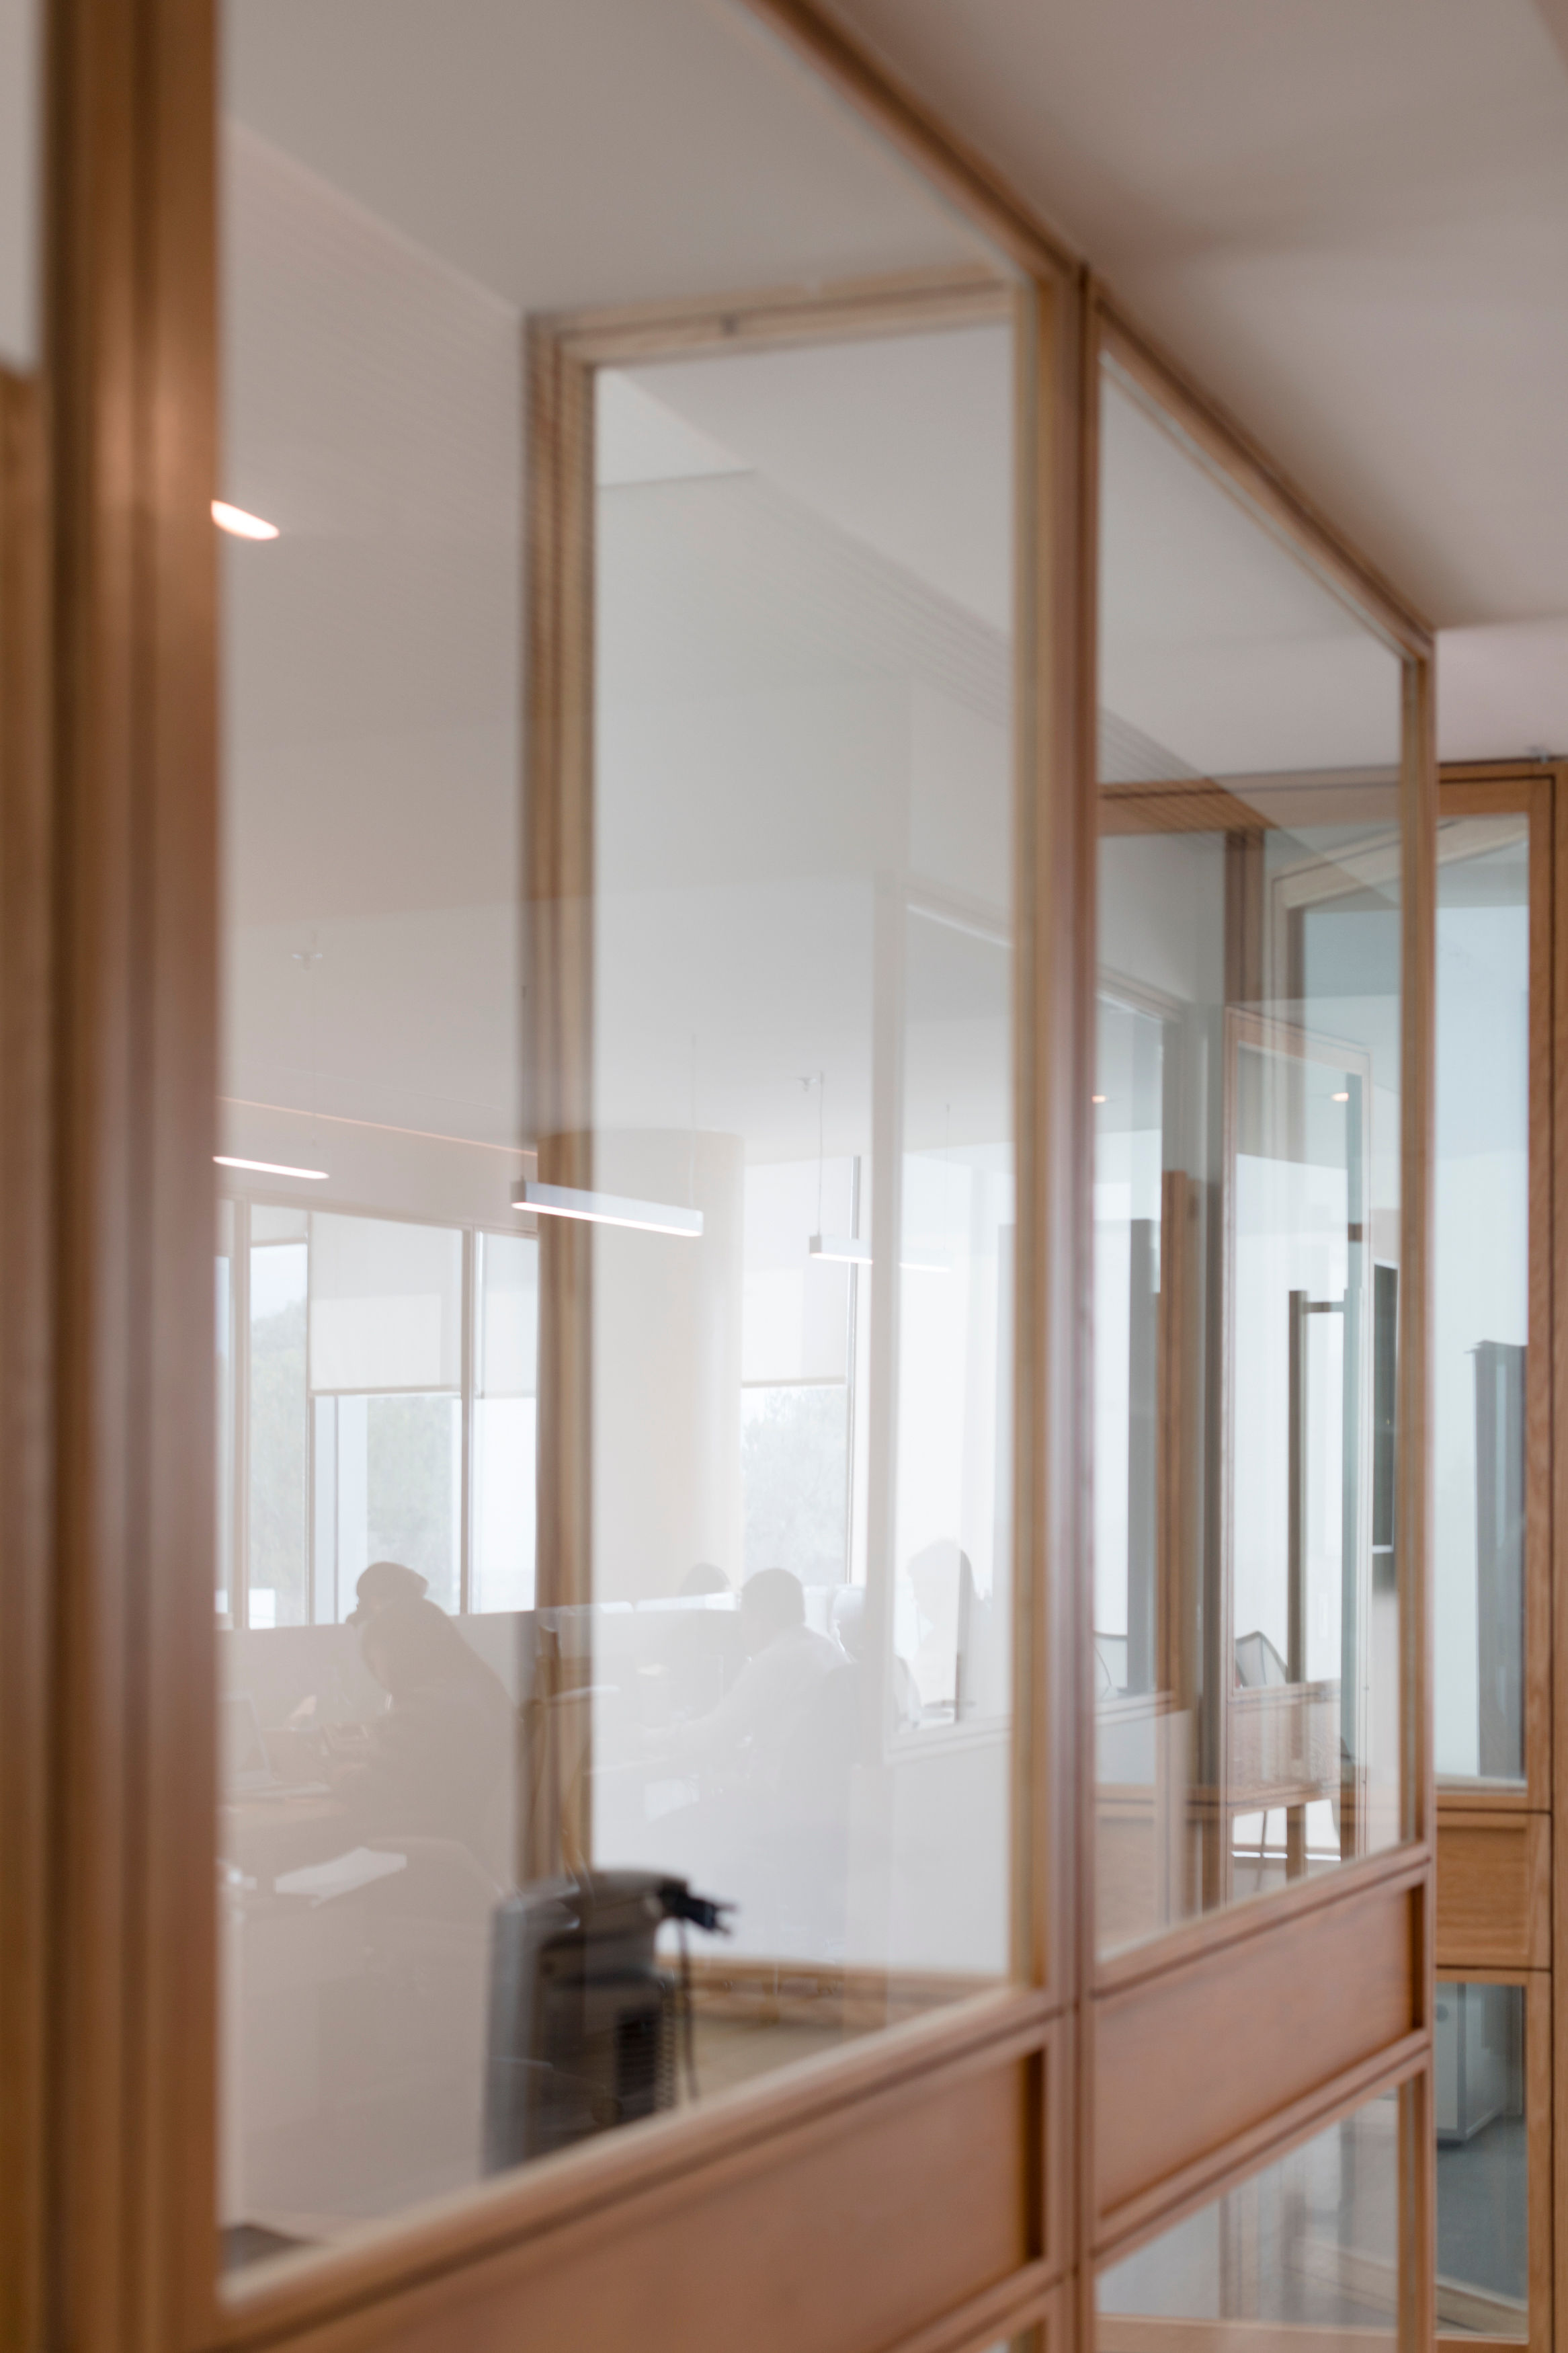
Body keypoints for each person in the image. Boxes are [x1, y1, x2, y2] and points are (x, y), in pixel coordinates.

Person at [330, 1596, 511, 1868]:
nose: (377, 1676)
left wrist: (341, 1775)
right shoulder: (482, 1691)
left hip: (443, 1860)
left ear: (395, 1654)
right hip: (478, 1854)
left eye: (374, 1661)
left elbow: (371, 1792)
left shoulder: (426, 1704)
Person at [649, 1568, 836, 1792]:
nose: (741, 1630)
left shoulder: (771, 1662)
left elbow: (714, 1734)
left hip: (775, 1800)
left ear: (760, 1619)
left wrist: (647, 1738)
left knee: (687, 1807)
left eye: (744, 1619)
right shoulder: (831, 1651)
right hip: (823, 1796)